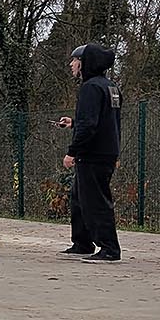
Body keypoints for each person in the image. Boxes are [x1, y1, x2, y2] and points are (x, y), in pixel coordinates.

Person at [56, 43, 122, 262]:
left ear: (85, 63)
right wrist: (74, 123)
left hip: (93, 154)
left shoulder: (90, 88)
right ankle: (82, 243)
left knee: (96, 201)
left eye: (75, 60)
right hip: (106, 151)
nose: (71, 64)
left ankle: (109, 248)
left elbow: (89, 125)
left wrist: (72, 152)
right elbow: (106, 121)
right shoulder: (111, 87)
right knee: (79, 199)